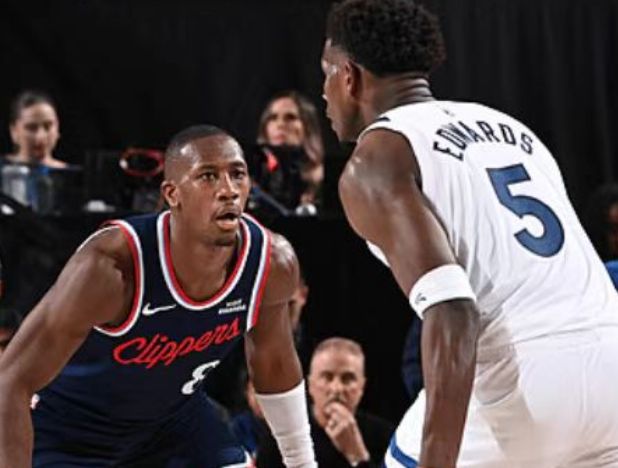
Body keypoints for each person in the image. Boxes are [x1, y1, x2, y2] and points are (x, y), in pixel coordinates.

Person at [321, 1, 618, 467]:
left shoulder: (376, 158)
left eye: (326, 74)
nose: (323, 93)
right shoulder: (511, 127)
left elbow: (453, 310)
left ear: (349, 76)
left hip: (527, 374)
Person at [0, 125, 317, 468]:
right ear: (172, 194)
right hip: (72, 435)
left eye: (237, 174)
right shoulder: (109, 269)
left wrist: (302, 463)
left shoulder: (271, 262)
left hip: (173, 425)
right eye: (208, 176)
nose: (228, 190)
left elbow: (274, 362)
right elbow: (10, 382)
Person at [257, 337, 394, 467]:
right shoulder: (281, 436)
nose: (336, 389)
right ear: (310, 384)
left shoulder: (385, 438)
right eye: (327, 377)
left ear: (362, 387)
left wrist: (358, 457)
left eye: (348, 378)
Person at [252, 90, 325, 214]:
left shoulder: (323, 178)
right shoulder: (254, 176)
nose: (280, 124)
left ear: (308, 126)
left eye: (290, 117)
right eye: (273, 118)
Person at [4, 90, 67, 168]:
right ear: (14, 131)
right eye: (31, 128)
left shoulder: (69, 174)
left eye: (48, 127)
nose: (40, 136)